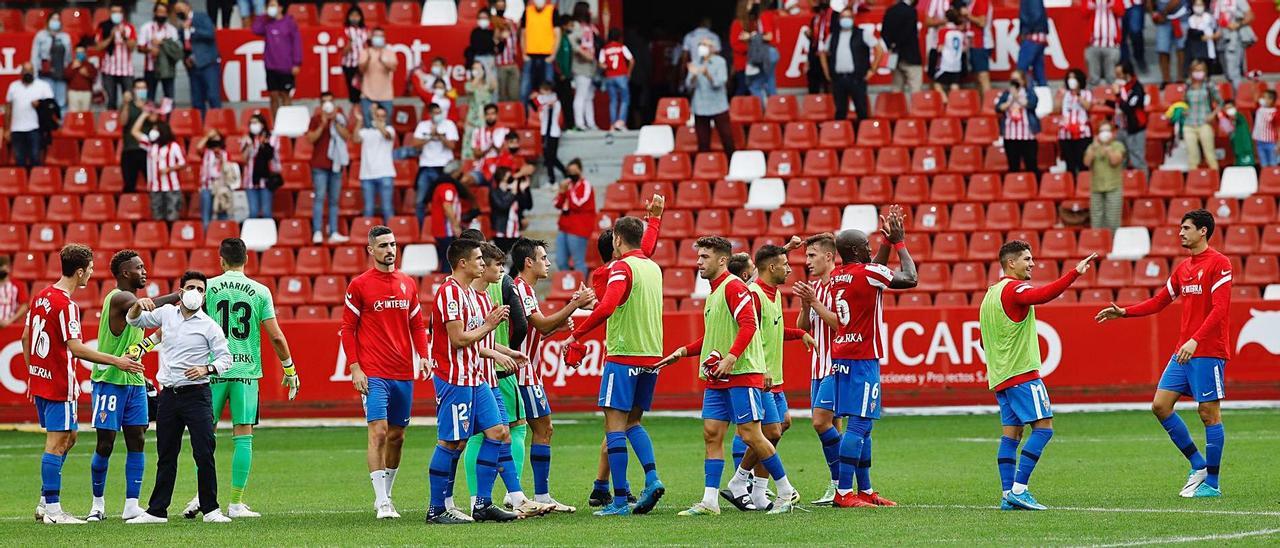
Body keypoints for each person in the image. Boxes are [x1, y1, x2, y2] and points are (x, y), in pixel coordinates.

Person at [656, 237, 800, 516]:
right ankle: (710, 501)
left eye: (705, 257)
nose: (698, 262)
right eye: (698, 257)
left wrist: (732, 357)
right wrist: (682, 352)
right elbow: (712, 337)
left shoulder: (734, 287)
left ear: (722, 260)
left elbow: (748, 325)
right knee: (712, 434)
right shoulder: (713, 293)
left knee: (750, 434)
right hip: (718, 375)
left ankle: (786, 491)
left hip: (742, 371)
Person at [1094, 209, 1231, 499]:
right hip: (1183, 351)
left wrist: (1195, 340)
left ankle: (1213, 484)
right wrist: (1125, 312)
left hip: (1207, 349)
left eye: (1186, 228)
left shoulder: (1220, 264)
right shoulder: (1183, 268)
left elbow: (1220, 310)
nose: (1180, 233)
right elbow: (1159, 302)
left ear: (1203, 231)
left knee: (1208, 413)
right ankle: (1198, 465)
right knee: (1160, 405)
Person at [172, 239, 298, 520]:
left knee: (206, 436)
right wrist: (289, 369)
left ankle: (199, 497)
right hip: (245, 371)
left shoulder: (208, 287)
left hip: (212, 371)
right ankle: (236, 504)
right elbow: (275, 336)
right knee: (243, 436)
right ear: (247, 259)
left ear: (221, 260)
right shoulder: (260, 291)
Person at [27, 245, 143, 525]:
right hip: (58, 383)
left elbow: (25, 335)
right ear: (79, 271)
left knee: (70, 437)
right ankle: (54, 511)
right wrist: (117, 361)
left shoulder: (41, 296)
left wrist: (31, 373)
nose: (91, 274)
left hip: (41, 378)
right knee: (56, 443)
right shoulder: (67, 305)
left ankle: (45, 502)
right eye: (89, 269)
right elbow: (77, 349)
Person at [561, 216, 668, 517]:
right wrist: (655, 219)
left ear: (618, 240)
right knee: (634, 422)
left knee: (615, 427)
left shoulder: (621, 267)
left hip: (624, 354)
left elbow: (607, 307)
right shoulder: (652, 267)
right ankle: (652, 478)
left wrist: (576, 333)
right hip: (652, 354)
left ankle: (619, 500)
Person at [981, 241, 1095, 511]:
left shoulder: (990, 295)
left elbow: (984, 341)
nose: (1032, 264)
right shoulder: (1014, 289)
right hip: (1022, 374)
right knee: (1044, 428)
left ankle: (1007, 494)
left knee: (1011, 435)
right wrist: (1074, 273)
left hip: (1001, 377)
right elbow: (1043, 295)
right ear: (1011, 263)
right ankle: (1020, 489)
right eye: (1027, 259)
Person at [123, 271, 233, 524]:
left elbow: (226, 358)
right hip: (169, 395)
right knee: (166, 453)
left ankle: (211, 509)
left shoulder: (209, 326)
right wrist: (137, 307)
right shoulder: (167, 314)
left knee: (204, 451)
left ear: (205, 295)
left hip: (197, 394)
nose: (195, 292)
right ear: (181, 291)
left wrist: (207, 368)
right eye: (191, 287)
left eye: (200, 289)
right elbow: (134, 322)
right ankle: (157, 511)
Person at [425, 238, 520, 524]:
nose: (483, 262)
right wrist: (490, 325)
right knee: (451, 442)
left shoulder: (469, 293)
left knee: (498, 432)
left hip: (475, 377)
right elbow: (458, 339)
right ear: (463, 263)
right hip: (454, 379)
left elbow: (476, 337)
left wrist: (494, 339)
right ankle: (436, 509)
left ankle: (482, 503)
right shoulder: (449, 293)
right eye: (479, 259)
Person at [827, 209, 917, 508]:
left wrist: (885, 243)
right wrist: (900, 243)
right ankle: (843, 493)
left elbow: (872, 270)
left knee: (862, 425)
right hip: (863, 357)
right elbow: (910, 278)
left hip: (841, 355)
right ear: (855, 250)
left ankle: (864, 490)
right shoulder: (867, 273)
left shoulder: (838, 276)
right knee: (859, 424)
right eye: (866, 245)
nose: (871, 248)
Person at [339, 227, 428, 519]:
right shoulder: (359, 285)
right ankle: (381, 502)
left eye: (393, 244)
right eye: (383, 245)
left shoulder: (407, 283)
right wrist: (355, 367)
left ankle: (387, 495)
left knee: (397, 436)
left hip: (403, 371)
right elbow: (348, 328)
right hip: (374, 372)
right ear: (371, 250)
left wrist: (423, 356)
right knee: (377, 432)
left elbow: (416, 324)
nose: (390, 249)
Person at [85, 251, 178, 522]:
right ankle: (97, 505)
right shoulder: (120, 298)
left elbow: (139, 340)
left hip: (134, 382)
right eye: (139, 268)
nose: (144, 271)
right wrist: (179, 296)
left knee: (137, 439)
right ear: (125, 273)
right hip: (110, 381)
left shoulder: (131, 301)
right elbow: (148, 307)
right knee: (105, 443)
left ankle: (131, 505)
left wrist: (154, 341)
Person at [462, 242, 552, 517]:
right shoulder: (457, 295)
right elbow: (459, 340)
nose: (501, 271)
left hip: (489, 373)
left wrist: (507, 351)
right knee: (461, 440)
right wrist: (497, 353)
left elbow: (482, 337)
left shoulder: (479, 298)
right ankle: (460, 502)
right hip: (470, 376)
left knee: (501, 432)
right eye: (493, 264)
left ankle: (504, 498)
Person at [510, 238, 594, 513]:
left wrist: (556, 329)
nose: (548, 262)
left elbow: (540, 329)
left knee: (523, 431)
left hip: (525, 370)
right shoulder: (520, 289)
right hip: (523, 372)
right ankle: (535, 495)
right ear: (528, 262)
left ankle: (520, 494)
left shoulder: (527, 290)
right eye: (543, 257)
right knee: (541, 429)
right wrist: (575, 304)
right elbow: (541, 323)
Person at [729, 243, 813, 511]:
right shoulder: (753, 295)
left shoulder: (774, 294)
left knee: (781, 425)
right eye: (785, 264)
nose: (789, 269)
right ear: (772, 267)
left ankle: (757, 491)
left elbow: (773, 331)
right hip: (760, 375)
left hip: (774, 377)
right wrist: (762, 367)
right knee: (770, 430)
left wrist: (799, 334)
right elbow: (749, 333)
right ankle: (742, 480)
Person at [793, 233, 842, 505]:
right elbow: (803, 328)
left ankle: (843, 482)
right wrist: (804, 304)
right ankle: (838, 486)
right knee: (833, 425)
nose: (807, 261)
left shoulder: (839, 286)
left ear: (829, 256)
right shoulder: (815, 288)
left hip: (837, 365)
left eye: (812, 255)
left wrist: (814, 303)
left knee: (820, 422)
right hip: (817, 366)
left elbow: (840, 325)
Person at [306, 93, 352, 244]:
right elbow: (311, 139)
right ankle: (317, 231)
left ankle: (333, 231)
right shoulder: (316, 119)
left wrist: (335, 123)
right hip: (320, 165)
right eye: (324, 102)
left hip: (336, 165)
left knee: (334, 200)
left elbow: (346, 136)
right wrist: (323, 124)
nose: (327, 104)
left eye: (330, 101)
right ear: (320, 105)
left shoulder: (340, 118)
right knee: (319, 198)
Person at [823, 7, 883, 121]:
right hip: (839, 79)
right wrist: (827, 72)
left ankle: (863, 135)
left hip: (857, 78)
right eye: (843, 17)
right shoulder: (833, 36)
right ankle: (841, 135)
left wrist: (873, 69)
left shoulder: (862, 34)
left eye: (848, 17)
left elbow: (879, 50)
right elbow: (823, 53)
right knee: (840, 111)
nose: (846, 20)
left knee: (861, 110)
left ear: (853, 18)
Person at [130, 109, 186, 222]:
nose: (153, 131)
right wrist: (144, 114)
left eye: (155, 129)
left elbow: (182, 163)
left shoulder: (174, 146)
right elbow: (134, 131)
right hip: (155, 188)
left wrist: (169, 169)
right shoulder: (150, 145)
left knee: (172, 217)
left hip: (172, 187)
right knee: (157, 218)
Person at [412, 102, 460, 227]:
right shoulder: (423, 126)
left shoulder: (449, 125)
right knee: (420, 201)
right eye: (435, 113)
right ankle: (420, 229)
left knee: (444, 201)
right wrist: (430, 136)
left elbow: (452, 146)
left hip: (444, 169)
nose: (437, 115)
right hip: (426, 167)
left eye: (439, 112)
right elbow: (415, 144)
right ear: (430, 114)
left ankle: (446, 227)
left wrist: (439, 135)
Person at [252, 0, 301, 117]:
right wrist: (265, 16)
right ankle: (276, 125)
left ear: (280, 8)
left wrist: (296, 63)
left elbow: (297, 43)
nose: (270, 8)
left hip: (286, 67)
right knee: (273, 96)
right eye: (269, 5)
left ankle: (288, 122)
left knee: (285, 95)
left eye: (273, 5)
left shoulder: (290, 23)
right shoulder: (267, 23)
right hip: (271, 66)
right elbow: (255, 29)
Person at [174, 1, 222, 116]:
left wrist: (192, 30)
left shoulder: (201, 17)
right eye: (177, 11)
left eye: (181, 9)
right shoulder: (181, 26)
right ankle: (200, 127)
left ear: (188, 6)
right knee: (197, 100)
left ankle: (217, 124)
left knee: (213, 96)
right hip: (193, 66)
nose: (179, 12)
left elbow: (210, 34)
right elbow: (183, 45)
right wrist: (186, 59)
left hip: (208, 63)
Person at [688, 39, 735, 153]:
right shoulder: (695, 62)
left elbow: (720, 82)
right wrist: (693, 75)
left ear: (713, 48)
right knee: (703, 141)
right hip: (700, 106)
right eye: (700, 44)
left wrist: (707, 74)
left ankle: (732, 163)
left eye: (705, 45)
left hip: (718, 105)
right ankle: (705, 165)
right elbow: (688, 85)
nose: (702, 47)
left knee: (727, 137)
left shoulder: (720, 62)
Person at [6, 63, 54, 169]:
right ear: (21, 72)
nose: (28, 73)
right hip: (17, 129)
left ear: (34, 72)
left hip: (35, 129)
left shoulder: (43, 86)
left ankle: (36, 183)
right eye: (25, 70)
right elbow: (8, 108)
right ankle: (22, 183)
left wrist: (40, 103)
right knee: (19, 160)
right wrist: (7, 129)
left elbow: (51, 105)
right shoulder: (13, 86)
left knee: (35, 158)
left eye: (30, 70)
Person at [353, 106, 397, 224]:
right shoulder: (366, 132)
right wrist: (359, 122)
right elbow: (355, 139)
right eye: (378, 116)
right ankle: (368, 238)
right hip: (367, 175)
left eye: (383, 116)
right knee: (368, 209)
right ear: (373, 117)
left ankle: (391, 239)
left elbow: (387, 136)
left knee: (387, 208)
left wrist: (379, 125)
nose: (380, 118)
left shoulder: (390, 129)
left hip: (385, 174)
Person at [552, 159, 596, 275]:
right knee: (560, 261)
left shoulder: (585, 185)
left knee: (578, 262)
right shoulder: (567, 185)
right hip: (564, 227)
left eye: (574, 171)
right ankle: (569, 287)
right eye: (569, 171)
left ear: (580, 171)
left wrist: (569, 190)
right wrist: (562, 192)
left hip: (579, 228)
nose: (571, 174)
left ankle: (581, 289)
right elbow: (557, 203)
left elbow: (579, 203)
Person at [729, 0, 780, 99]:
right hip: (745, 63)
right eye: (750, 4)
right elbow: (735, 45)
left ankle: (768, 109)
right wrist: (751, 45)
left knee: (759, 85)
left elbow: (768, 37)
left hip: (759, 59)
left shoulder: (760, 18)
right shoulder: (738, 23)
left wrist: (751, 38)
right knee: (748, 87)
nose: (753, 7)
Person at [997, 70, 1041, 177]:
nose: (1014, 82)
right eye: (1012, 79)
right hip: (1010, 135)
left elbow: (1031, 104)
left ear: (1023, 81)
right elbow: (999, 108)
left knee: (1031, 165)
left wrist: (1017, 96)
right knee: (1013, 166)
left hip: (1027, 135)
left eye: (1017, 79)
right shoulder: (1006, 94)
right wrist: (1010, 100)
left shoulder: (1029, 93)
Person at [1086, 123, 1127, 231]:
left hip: (1113, 188)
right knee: (1096, 220)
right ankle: (1097, 243)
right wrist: (1093, 149)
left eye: (1107, 131)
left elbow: (1115, 161)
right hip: (1096, 188)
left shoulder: (1117, 145)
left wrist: (1108, 150)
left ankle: (1112, 244)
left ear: (1112, 133)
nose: (1104, 134)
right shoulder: (1092, 146)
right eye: (1102, 131)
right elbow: (1086, 162)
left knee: (1112, 221)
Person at [96, 3, 137, 110]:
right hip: (109, 69)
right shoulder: (103, 26)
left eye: (119, 12)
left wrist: (124, 37)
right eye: (114, 12)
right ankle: (112, 123)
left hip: (126, 70)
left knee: (128, 100)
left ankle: (127, 124)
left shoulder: (129, 27)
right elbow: (98, 47)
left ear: (122, 14)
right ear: (110, 13)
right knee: (111, 100)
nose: (116, 14)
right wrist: (111, 37)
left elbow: (132, 47)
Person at [1182, 60, 1222, 171]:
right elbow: (1183, 101)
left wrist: (1213, 114)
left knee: (1210, 154)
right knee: (1192, 157)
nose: (1198, 72)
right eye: (1196, 70)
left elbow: (1221, 102)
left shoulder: (1209, 85)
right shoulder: (1187, 85)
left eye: (1201, 70)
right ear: (1191, 71)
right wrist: (1184, 110)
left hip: (1204, 123)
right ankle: (1194, 182)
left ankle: (1215, 180)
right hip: (1189, 124)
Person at [1109, 61, 1148, 171]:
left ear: (1128, 74)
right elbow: (1119, 104)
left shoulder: (1137, 89)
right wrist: (1106, 102)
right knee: (1120, 161)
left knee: (1137, 160)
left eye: (1119, 74)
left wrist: (1117, 94)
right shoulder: (1123, 87)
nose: (1117, 77)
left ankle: (1143, 185)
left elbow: (1128, 108)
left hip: (1135, 128)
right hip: (1121, 128)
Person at [520, 0, 560, 105]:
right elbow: (523, 34)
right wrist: (524, 53)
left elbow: (557, 34)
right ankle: (524, 116)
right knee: (525, 89)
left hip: (547, 57)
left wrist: (553, 54)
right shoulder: (527, 11)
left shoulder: (552, 11)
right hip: (530, 56)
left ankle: (547, 118)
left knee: (548, 89)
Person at [31, 12, 72, 113]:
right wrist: (35, 76)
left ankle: (61, 126)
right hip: (45, 74)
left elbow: (68, 57)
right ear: (48, 21)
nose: (55, 22)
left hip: (60, 74)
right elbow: (34, 57)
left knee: (61, 102)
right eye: (53, 19)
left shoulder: (65, 37)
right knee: (47, 101)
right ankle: (47, 126)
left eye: (57, 19)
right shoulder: (40, 36)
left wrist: (67, 73)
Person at [241, 113, 280, 218]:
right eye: (251, 123)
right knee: (253, 212)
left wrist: (264, 144)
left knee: (266, 212)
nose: (253, 125)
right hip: (250, 180)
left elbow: (273, 157)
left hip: (266, 180)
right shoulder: (247, 139)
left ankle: (267, 233)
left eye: (255, 123)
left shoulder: (272, 138)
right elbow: (243, 160)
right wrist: (248, 147)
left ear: (262, 124)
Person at [1057, 68, 1095, 176]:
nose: (1071, 80)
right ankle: (1071, 187)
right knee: (1070, 164)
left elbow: (1088, 107)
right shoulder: (1064, 94)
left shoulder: (1086, 93)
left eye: (1073, 78)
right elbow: (1055, 109)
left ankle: (1083, 187)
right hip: (1065, 134)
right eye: (1069, 78)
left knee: (1083, 163)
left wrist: (1077, 95)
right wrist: (1059, 97)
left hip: (1083, 133)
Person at [138, 2, 178, 103]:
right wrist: (150, 49)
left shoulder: (172, 30)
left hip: (167, 69)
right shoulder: (146, 28)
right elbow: (139, 47)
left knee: (169, 98)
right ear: (154, 12)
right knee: (149, 98)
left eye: (164, 12)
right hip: (151, 68)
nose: (161, 15)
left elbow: (176, 50)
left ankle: (169, 117)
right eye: (159, 12)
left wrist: (162, 44)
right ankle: (148, 118)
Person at [195, 129, 235, 227]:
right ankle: (207, 238)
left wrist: (221, 161)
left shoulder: (225, 154)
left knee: (222, 215)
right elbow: (198, 147)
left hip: (221, 188)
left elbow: (229, 170)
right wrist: (208, 136)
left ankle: (223, 237)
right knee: (206, 217)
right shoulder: (206, 153)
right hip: (207, 187)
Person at [881, 0, 923, 93]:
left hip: (894, 56)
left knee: (896, 89)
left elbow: (884, 33)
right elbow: (908, 33)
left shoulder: (890, 11)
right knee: (916, 89)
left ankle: (896, 107)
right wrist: (898, 43)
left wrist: (893, 46)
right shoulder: (911, 11)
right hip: (910, 55)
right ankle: (915, 108)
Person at [568, 4, 599, 131]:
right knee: (580, 95)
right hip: (580, 65)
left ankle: (590, 123)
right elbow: (571, 41)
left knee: (589, 96)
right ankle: (579, 122)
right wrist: (583, 53)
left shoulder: (590, 26)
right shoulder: (575, 25)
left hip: (591, 66)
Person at [358, 27, 397, 128]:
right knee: (369, 126)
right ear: (372, 38)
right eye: (376, 36)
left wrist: (383, 61)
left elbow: (393, 67)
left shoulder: (389, 52)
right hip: (368, 95)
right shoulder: (365, 52)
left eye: (381, 36)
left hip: (386, 96)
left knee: (386, 126)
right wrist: (368, 59)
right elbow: (361, 69)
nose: (378, 38)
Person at [489, 167, 532, 251]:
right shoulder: (495, 192)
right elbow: (502, 206)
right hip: (501, 232)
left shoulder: (513, 192)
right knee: (501, 260)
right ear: (502, 178)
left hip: (515, 231)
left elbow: (528, 205)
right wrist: (513, 192)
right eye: (509, 176)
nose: (512, 178)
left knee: (517, 260)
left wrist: (525, 190)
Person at [1213, 0, 1253, 88]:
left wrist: (1238, 24)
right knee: (1227, 71)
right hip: (1221, 38)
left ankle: (1238, 98)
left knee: (1233, 71)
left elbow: (1250, 16)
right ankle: (1234, 95)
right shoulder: (1217, 2)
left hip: (1234, 38)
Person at [599, 29, 633, 131]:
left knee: (613, 100)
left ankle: (612, 125)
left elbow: (601, 64)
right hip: (621, 75)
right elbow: (631, 60)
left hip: (609, 76)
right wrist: (628, 73)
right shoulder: (621, 47)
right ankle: (621, 122)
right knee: (625, 99)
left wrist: (606, 67)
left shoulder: (604, 49)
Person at [533, 80, 566, 184]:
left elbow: (553, 112)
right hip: (544, 132)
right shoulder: (541, 100)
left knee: (552, 157)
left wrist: (548, 104)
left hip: (553, 132)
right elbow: (535, 105)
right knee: (547, 157)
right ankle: (553, 177)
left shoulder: (555, 101)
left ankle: (560, 175)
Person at [1084, 0, 1124, 86]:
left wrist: (1110, 3)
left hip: (1111, 44)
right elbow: (1083, 13)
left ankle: (1113, 98)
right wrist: (1093, 5)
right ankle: (1092, 97)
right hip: (1093, 44)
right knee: (1093, 79)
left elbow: (1121, 11)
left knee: (1111, 78)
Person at [462, 62, 497, 159]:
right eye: (474, 69)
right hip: (472, 121)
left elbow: (494, 86)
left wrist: (489, 71)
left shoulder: (487, 85)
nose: (476, 71)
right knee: (469, 151)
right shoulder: (469, 84)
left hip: (486, 121)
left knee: (484, 148)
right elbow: (470, 89)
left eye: (478, 69)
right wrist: (477, 77)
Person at [121, 81, 150, 193]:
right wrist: (126, 104)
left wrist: (146, 109)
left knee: (152, 183)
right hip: (130, 149)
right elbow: (123, 122)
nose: (141, 90)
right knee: (129, 184)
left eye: (143, 88)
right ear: (133, 90)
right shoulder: (128, 105)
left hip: (147, 150)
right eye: (138, 88)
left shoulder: (151, 105)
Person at [931, 9, 967, 95]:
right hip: (957, 65)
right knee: (954, 86)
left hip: (945, 64)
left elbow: (940, 48)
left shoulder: (943, 31)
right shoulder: (959, 33)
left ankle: (946, 102)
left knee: (937, 84)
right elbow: (964, 49)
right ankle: (956, 104)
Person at [492, 0, 522, 102]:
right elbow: (493, 42)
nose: (501, 8)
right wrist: (500, 37)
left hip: (513, 62)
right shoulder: (493, 21)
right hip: (500, 64)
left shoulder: (510, 22)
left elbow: (516, 39)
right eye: (498, 6)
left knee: (515, 94)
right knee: (502, 95)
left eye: (502, 6)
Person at [1151, 0, 1188, 84]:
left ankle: (1181, 78)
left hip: (1180, 17)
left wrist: (1163, 13)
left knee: (1181, 48)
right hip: (1163, 21)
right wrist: (1153, 14)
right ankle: (1166, 79)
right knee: (1162, 49)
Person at [338, 5, 369, 104]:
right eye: (352, 15)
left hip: (363, 65)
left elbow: (368, 48)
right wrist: (350, 41)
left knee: (364, 91)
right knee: (353, 92)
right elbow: (343, 52)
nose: (355, 18)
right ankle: (354, 113)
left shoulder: (365, 31)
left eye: (357, 15)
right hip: (350, 65)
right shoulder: (344, 31)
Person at [1017, 0, 1049, 87]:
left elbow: (1036, 14)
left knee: (1021, 70)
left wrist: (1027, 31)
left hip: (1032, 36)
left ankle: (1029, 95)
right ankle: (1044, 96)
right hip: (1037, 35)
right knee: (1039, 71)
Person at [965, 0, 995, 94]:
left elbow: (982, 22)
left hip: (981, 43)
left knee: (982, 76)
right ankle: (981, 105)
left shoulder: (981, 1)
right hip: (975, 43)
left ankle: (988, 105)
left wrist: (967, 15)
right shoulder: (973, 2)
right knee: (978, 77)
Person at [805, 2, 834, 93]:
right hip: (815, 57)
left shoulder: (833, 17)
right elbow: (813, 42)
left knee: (829, 86)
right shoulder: (815, 19)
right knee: (813, 87)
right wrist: (808, 60)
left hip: (828, 56)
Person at [1184, 0, 1217, 74]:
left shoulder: (1209, 17)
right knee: (1196, 67)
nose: (1198, 7)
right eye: (1196, 5)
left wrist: (1210, 37)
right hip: (1195, 47)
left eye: (1200, 5)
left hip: (1208, 45)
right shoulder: (1190, 19)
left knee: (1208, 67)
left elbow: (1216, 30)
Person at [65, 44, 97, 113]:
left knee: (85, 114)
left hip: (86, 92)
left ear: (85, 53)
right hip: (73, 92)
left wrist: (87, 74)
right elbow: (66, 76)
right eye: (78, 53)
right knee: (74, 114)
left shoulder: (89, 65)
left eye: (81, 52)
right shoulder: (71, 64)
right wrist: (73, 68)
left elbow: (94, 78)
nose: (80, 54)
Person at [470, 9, 499, 81]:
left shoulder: (493, 32)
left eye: (485, 18)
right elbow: (474, 47)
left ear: (489, 19)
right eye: (481, 18)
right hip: (478, 59)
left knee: (491, 81)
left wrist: (497, 38)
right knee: (478, 81)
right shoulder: (475, 32)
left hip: (490, 58)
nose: (483, 20)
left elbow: (498, 47)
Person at [0, 256, 28, 329]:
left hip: (10, 326)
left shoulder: (17, 285)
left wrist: (10, 321)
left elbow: (24, 306)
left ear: (9, 269)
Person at [1253, 90, 1278, 167]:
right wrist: (1254, 82)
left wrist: (1278, 144)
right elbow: (1255, 97)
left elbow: (1278, 129)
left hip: (1271, 143)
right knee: (1263, 165)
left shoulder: (1275, 113)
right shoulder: (1260, 109)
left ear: (1271, 100)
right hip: (1260, 142)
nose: (1262, 99)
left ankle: (1274, 179)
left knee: (1273, 164)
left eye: (1264, 97)